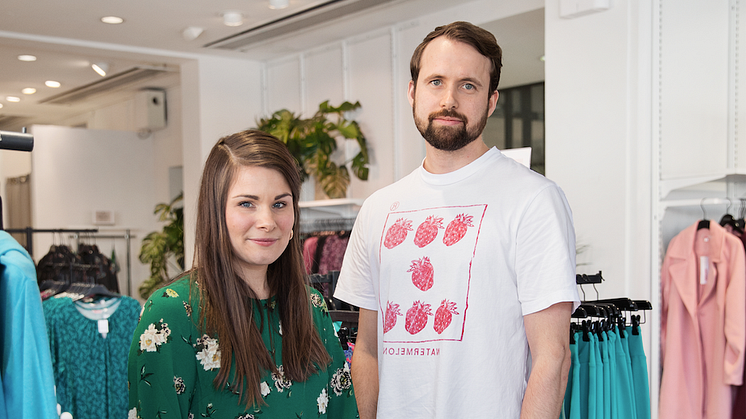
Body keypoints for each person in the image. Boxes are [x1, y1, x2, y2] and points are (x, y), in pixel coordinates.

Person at [334, 21, 580, 418]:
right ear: (412, 92)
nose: (449, 99)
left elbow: (552, 359)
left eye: (469, 85)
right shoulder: (378, 209)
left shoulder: (534, 199)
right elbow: (367, 350)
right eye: (435, 81)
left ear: (491, 100)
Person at [127, 130, 357, 418]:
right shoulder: (173, 312)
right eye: (247, 203)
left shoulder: (312, 308)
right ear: (216, 212)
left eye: (280, 204)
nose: (267, 222)